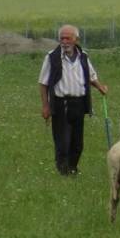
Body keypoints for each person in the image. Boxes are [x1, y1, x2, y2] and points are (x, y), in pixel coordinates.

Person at [38, 25, 108, 176]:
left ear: (76, 39)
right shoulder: (52, 57)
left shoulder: (83, 56)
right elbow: (43, 83)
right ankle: (64, 172)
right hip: (60, 104)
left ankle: (72, 168)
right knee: (63, 143)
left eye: (68, 38)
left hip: (79, 104)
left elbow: (91, 76)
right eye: (61, 38)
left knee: (77, 144)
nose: (64, 41)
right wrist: (45, 106)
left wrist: (100, 87)